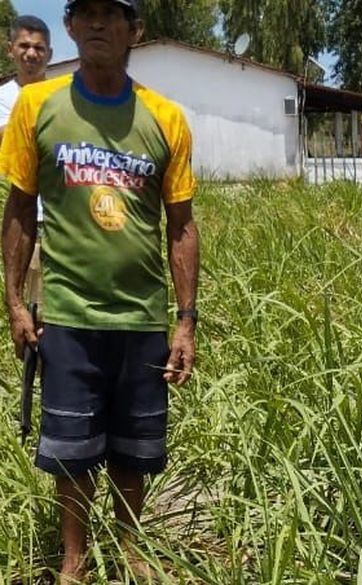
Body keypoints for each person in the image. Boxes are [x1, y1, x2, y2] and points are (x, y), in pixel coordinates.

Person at [0, 0, 200, 580]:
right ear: (69, 26)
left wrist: (185, 321)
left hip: (141, 318)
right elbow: (20, 208)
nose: (95, 24)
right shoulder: (37, 106)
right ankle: (75, 560)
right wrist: (14, 303)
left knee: (135, 449)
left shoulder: (165, 117)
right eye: (84, 12)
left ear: (134, 29)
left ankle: (133, 553)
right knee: (72, 451)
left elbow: (181, 225)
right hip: (67, 314)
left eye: (110, 14)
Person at [0, 16, 53, 305]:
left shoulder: (61, 96)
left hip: (64, 220)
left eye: (39, 48)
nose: (31, 53)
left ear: (49, 54)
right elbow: (10, 143)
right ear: (10, 49)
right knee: (34, 306)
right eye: (24, 46)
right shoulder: (3, 98)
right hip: (28, 218)